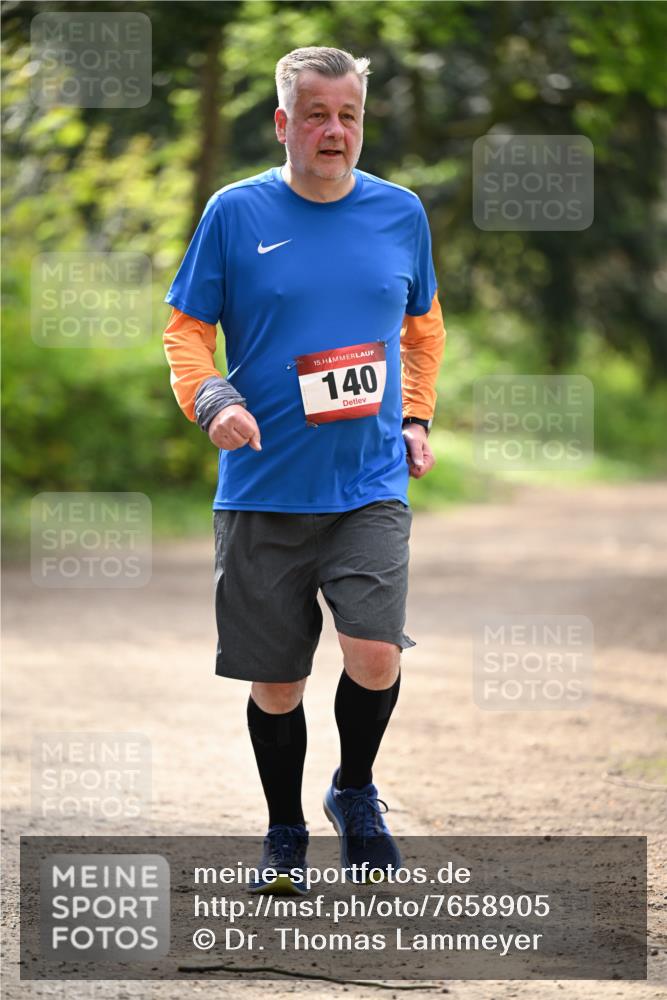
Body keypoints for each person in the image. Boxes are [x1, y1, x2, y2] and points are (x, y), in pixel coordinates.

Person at [163, 46, 445, 894]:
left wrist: (415, 414)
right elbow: (184, 329)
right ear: (285, 122)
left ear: (362, 121)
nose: (334, 131)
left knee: (372, 654)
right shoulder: (235, 212)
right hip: (261, 482)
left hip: (367, 481)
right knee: (277, 681)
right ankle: (283, 829)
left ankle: (353, 793)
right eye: (316, 115)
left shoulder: (399, 213)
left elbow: (422, 330)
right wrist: (212, 400)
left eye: (348, 115)